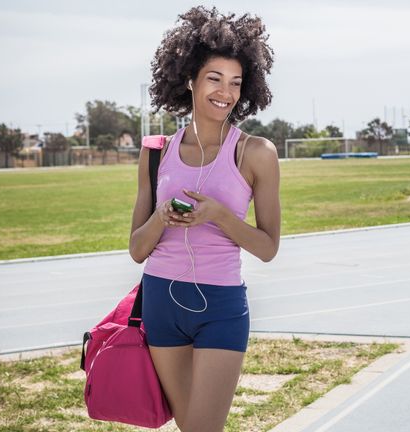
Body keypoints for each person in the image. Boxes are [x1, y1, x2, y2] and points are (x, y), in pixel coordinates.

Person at [128, 6, 280, 431]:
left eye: (235, 83)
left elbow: (268, 248)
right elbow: (138, 249)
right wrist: (161, 217)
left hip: (221, 306)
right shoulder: (156, 152)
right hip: (161, 300)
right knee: (189, 427)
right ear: (191, 79)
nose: (225, 92)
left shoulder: (256, 153)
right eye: (214, 78)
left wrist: (218, 215)